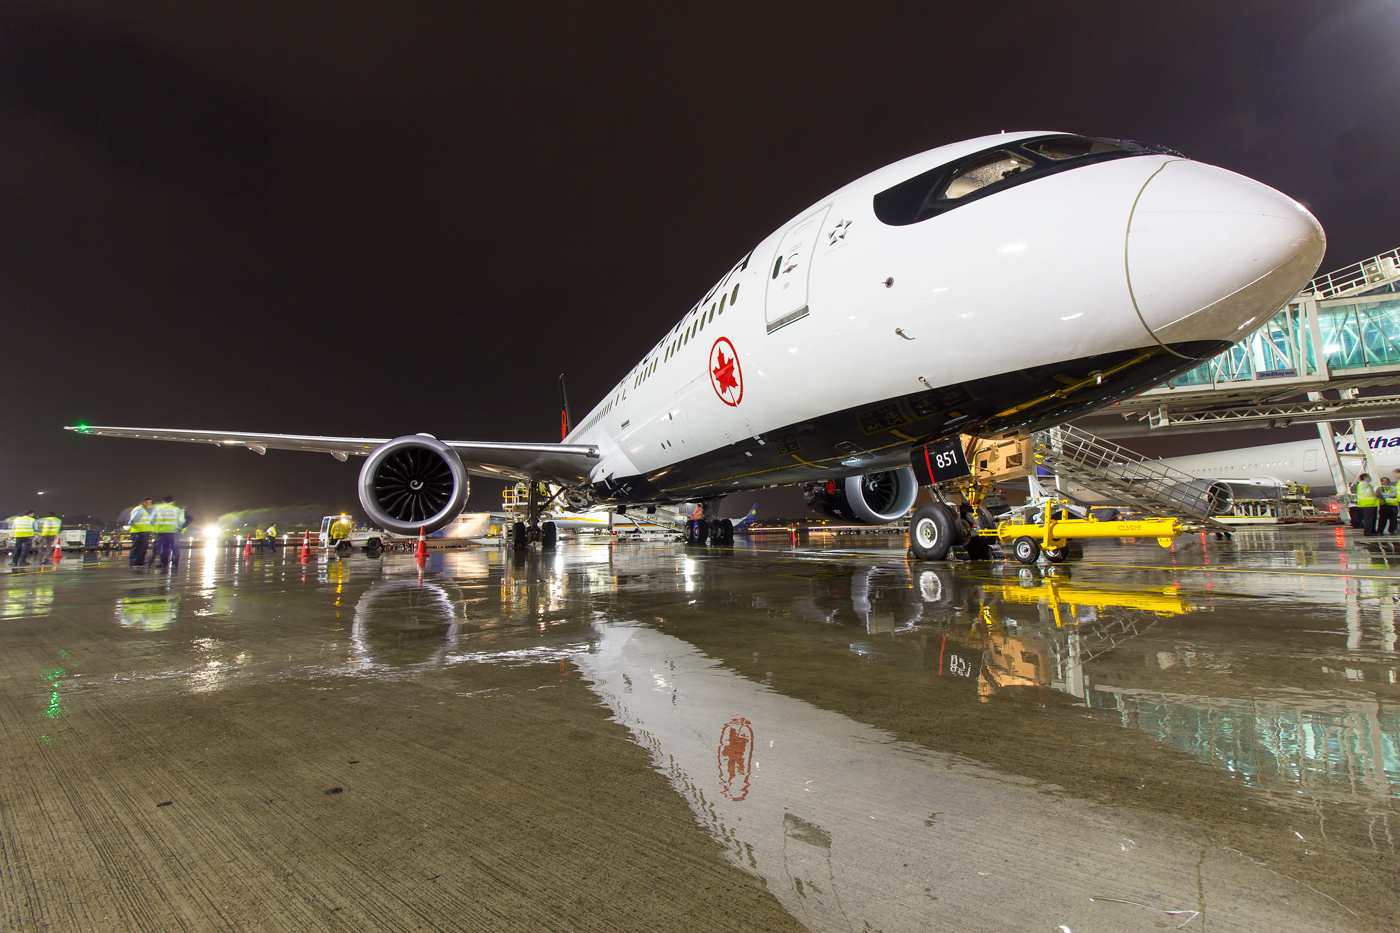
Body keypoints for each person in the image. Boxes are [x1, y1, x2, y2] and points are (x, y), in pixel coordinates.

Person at [148, 496, 187, 572]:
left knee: (164, 548)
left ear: (163, 501)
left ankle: (164, 563)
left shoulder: (158, 508)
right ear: (172, 501)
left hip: (162, 531)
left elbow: (151, 519)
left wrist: (156, 527)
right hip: (174, 531)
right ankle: (175, 564)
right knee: (175, 548)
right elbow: (181, 521)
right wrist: (178, 528)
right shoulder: (177, 509)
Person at [126, 498, 155, 567]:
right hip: (138, 532)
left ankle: (140, 562)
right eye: (149, 502)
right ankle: (133, 563)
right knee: (136, 548)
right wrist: (129, 527)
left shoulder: (144, 510)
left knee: (142, 548)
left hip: (143, 532)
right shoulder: (139, 509)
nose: (150, 504)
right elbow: (133, 520)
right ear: (144, 503)